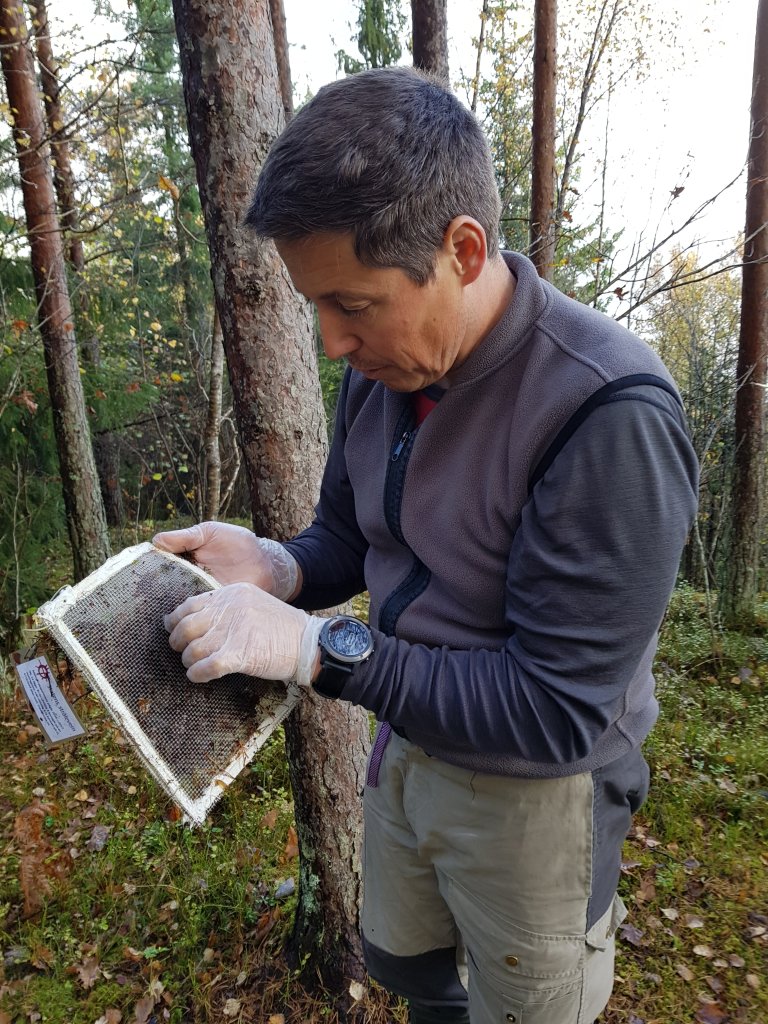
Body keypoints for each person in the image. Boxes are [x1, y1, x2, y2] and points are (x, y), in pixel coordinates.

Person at [154, 67, 698, 1024]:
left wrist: (314, 650)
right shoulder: (386, 366)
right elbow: (353, 538)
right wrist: (277, 566)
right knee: (421, 982)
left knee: (523, 1004)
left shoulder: (607, 413)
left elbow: (556, 710)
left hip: (536, 801)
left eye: (352, 304)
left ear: (462, 249)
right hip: (406, 744)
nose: (328, 342)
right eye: (313, 304)